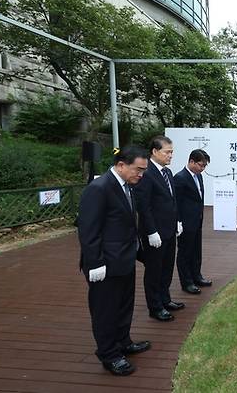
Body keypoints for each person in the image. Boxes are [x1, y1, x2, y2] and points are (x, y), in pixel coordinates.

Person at [77, 145, 150, 376]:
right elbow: (88, 230)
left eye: (144, 171)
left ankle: (123, 342)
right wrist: (95, 263)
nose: (141, 174)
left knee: (124, 305)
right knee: (105, 311)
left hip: (124, 260)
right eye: (138, 169)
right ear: (121, 165)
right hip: (105, 265)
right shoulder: (99, 188)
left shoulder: (127, 186)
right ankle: (109, 354)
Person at [135, 136, 184, 322]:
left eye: (171, 152)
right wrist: (151, 231)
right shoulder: (146, 174)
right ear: (155, 152)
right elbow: (144, 206)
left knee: (167, 268)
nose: (170, 155)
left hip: (170, 230)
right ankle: (155, 307)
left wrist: (177, 221)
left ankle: (165, 299)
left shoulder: (168, 173)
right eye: (167, 152)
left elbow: (172, 201)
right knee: (154, 270)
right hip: (155, 233)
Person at [174, 149, 213, 294]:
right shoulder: (180, 178)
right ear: (191, 161)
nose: (202, 169)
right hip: (185, 223)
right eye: (200, 165)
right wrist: (178, 221)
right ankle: (187, 282)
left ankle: (197, 276)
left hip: (197, 221)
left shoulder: (199, 177)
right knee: (185, 252)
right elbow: (176, 203)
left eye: (204, 166)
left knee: (196, 251)